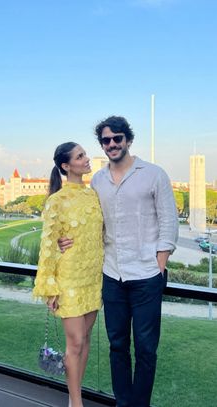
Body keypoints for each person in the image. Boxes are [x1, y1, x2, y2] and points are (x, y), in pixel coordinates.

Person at [59, 116, 179, 407]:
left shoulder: (153, 174)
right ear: (102, 144)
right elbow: (91, 222)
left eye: (117, 138)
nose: (111, 144)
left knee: (147, 349)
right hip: (111, 276)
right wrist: (67, 239)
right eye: (106, 140)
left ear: (128, 140)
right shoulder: (97, 180)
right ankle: (124, 403)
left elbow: (169, 222)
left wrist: (159, 263)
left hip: (147, 276)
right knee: (117, 347)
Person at [33, 142, 103, 407]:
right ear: (66, 166)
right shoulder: (56, 200)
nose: (87, 159)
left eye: (85, 154)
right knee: (74, 342)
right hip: (70, 280)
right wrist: (50, 287)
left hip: (92, 279)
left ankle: (77, 394)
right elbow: (48, 245)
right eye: (80, 156)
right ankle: (75, 402)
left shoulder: (93, 195)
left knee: (85, 340)